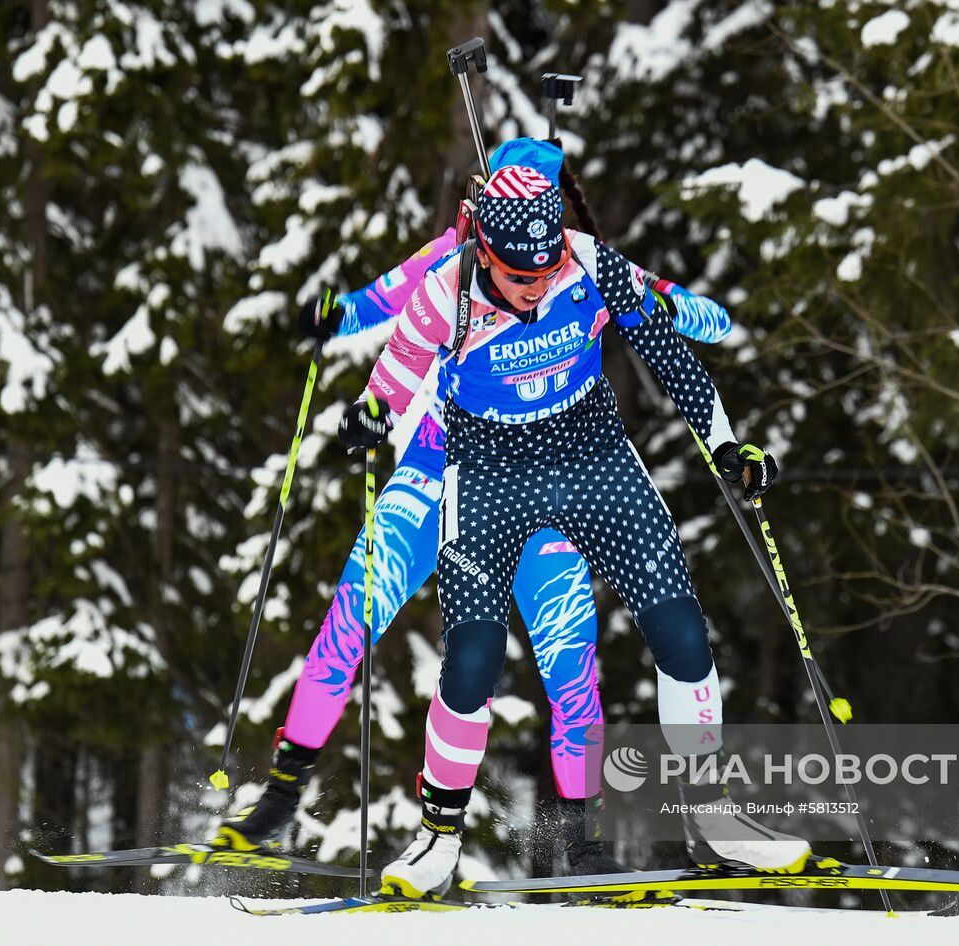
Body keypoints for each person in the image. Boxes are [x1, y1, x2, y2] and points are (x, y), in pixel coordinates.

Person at [335, 137, 805, 900]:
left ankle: (714, 820)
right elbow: (390, 382)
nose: (535, 287)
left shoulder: (588, 262)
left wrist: (726, 446)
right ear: (485, 251)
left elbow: (669, 350)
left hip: (593, 458)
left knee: (683, 633)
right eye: (520, 276)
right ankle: (437, 839)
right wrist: (369, 420)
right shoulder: (442, 293)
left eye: (546, 268)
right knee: (475, 655)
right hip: (487, 471)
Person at [214, 198, 736, 877]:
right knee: (351, 620)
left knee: (569, 657)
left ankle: (584, 844)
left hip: (531, 478)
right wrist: (333, 318)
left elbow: (698, 321)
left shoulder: (577, 262)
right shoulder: (446, 264)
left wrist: (669, 303)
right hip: (437, 467)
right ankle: (281, 795)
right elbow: (374, 309)